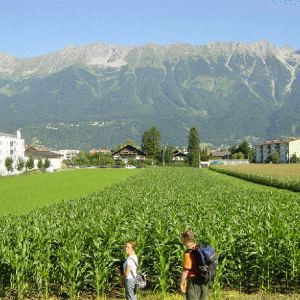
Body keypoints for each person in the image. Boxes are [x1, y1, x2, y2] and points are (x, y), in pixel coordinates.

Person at [180, 230, 209, 300]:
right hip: (203, 279)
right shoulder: (198, 248)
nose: (180, 239)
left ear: (186, 239)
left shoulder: (188, 253)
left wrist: (181, 284)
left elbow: (186, 270)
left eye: (181, 238)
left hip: (193, 282)